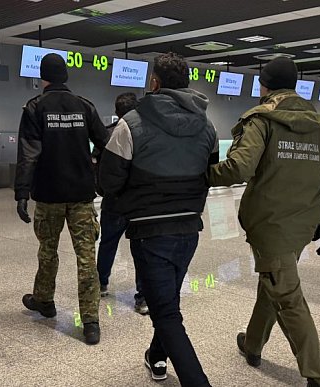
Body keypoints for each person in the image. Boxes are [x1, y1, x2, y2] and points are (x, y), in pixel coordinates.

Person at [207, 57, 320, 387]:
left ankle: (319, 376)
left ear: (264, 85)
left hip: (270, 225)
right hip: (303, 225)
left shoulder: (262, 119)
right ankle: (253, 344)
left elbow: (239, 167)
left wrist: (203, 175)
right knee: (273, 281)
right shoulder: (318, 123)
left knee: (287, 296)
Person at [100, 52, 217, 386]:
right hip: (188, 228)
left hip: (150, 230)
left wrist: (130, 203)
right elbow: (208, 174)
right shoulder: (207, 127)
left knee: (166, 312)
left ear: (154, 82)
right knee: (169, 300)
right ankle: (156, 356)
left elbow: (108, 181)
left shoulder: (131, 123)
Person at [14, 53, 110, 345]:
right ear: (65, 76)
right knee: (86, 257)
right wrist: (93, 164)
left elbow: (29, 154)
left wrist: (21, 192)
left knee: (48, 251)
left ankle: (45, 300)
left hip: (49, 195)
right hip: (81, 195)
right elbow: (106, 143)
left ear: (42, 77)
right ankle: (90, 321)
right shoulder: (85, 106)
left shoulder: (35, 108)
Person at [92, 92, 148, 315]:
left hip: (114, 200)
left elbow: (96, 163)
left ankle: (101, 284)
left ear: (116, 111)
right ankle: (142, 298)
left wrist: (102, 190)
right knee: (141, 249)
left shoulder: (107, 133)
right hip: (139, 202)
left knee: (108, 244)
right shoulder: (146, 132)